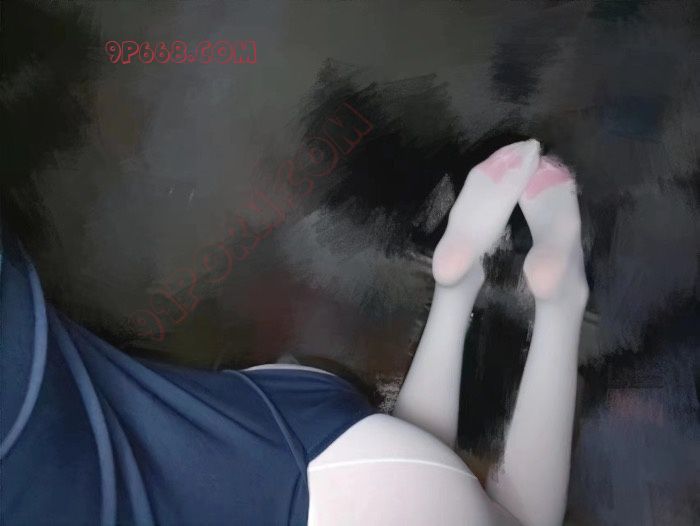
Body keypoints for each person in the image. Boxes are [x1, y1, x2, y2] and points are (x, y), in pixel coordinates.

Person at [1, 140, 589, 526]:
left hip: (354, 502)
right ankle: (457, 284)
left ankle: (554, 296)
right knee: (412, 469)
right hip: (273, 415)